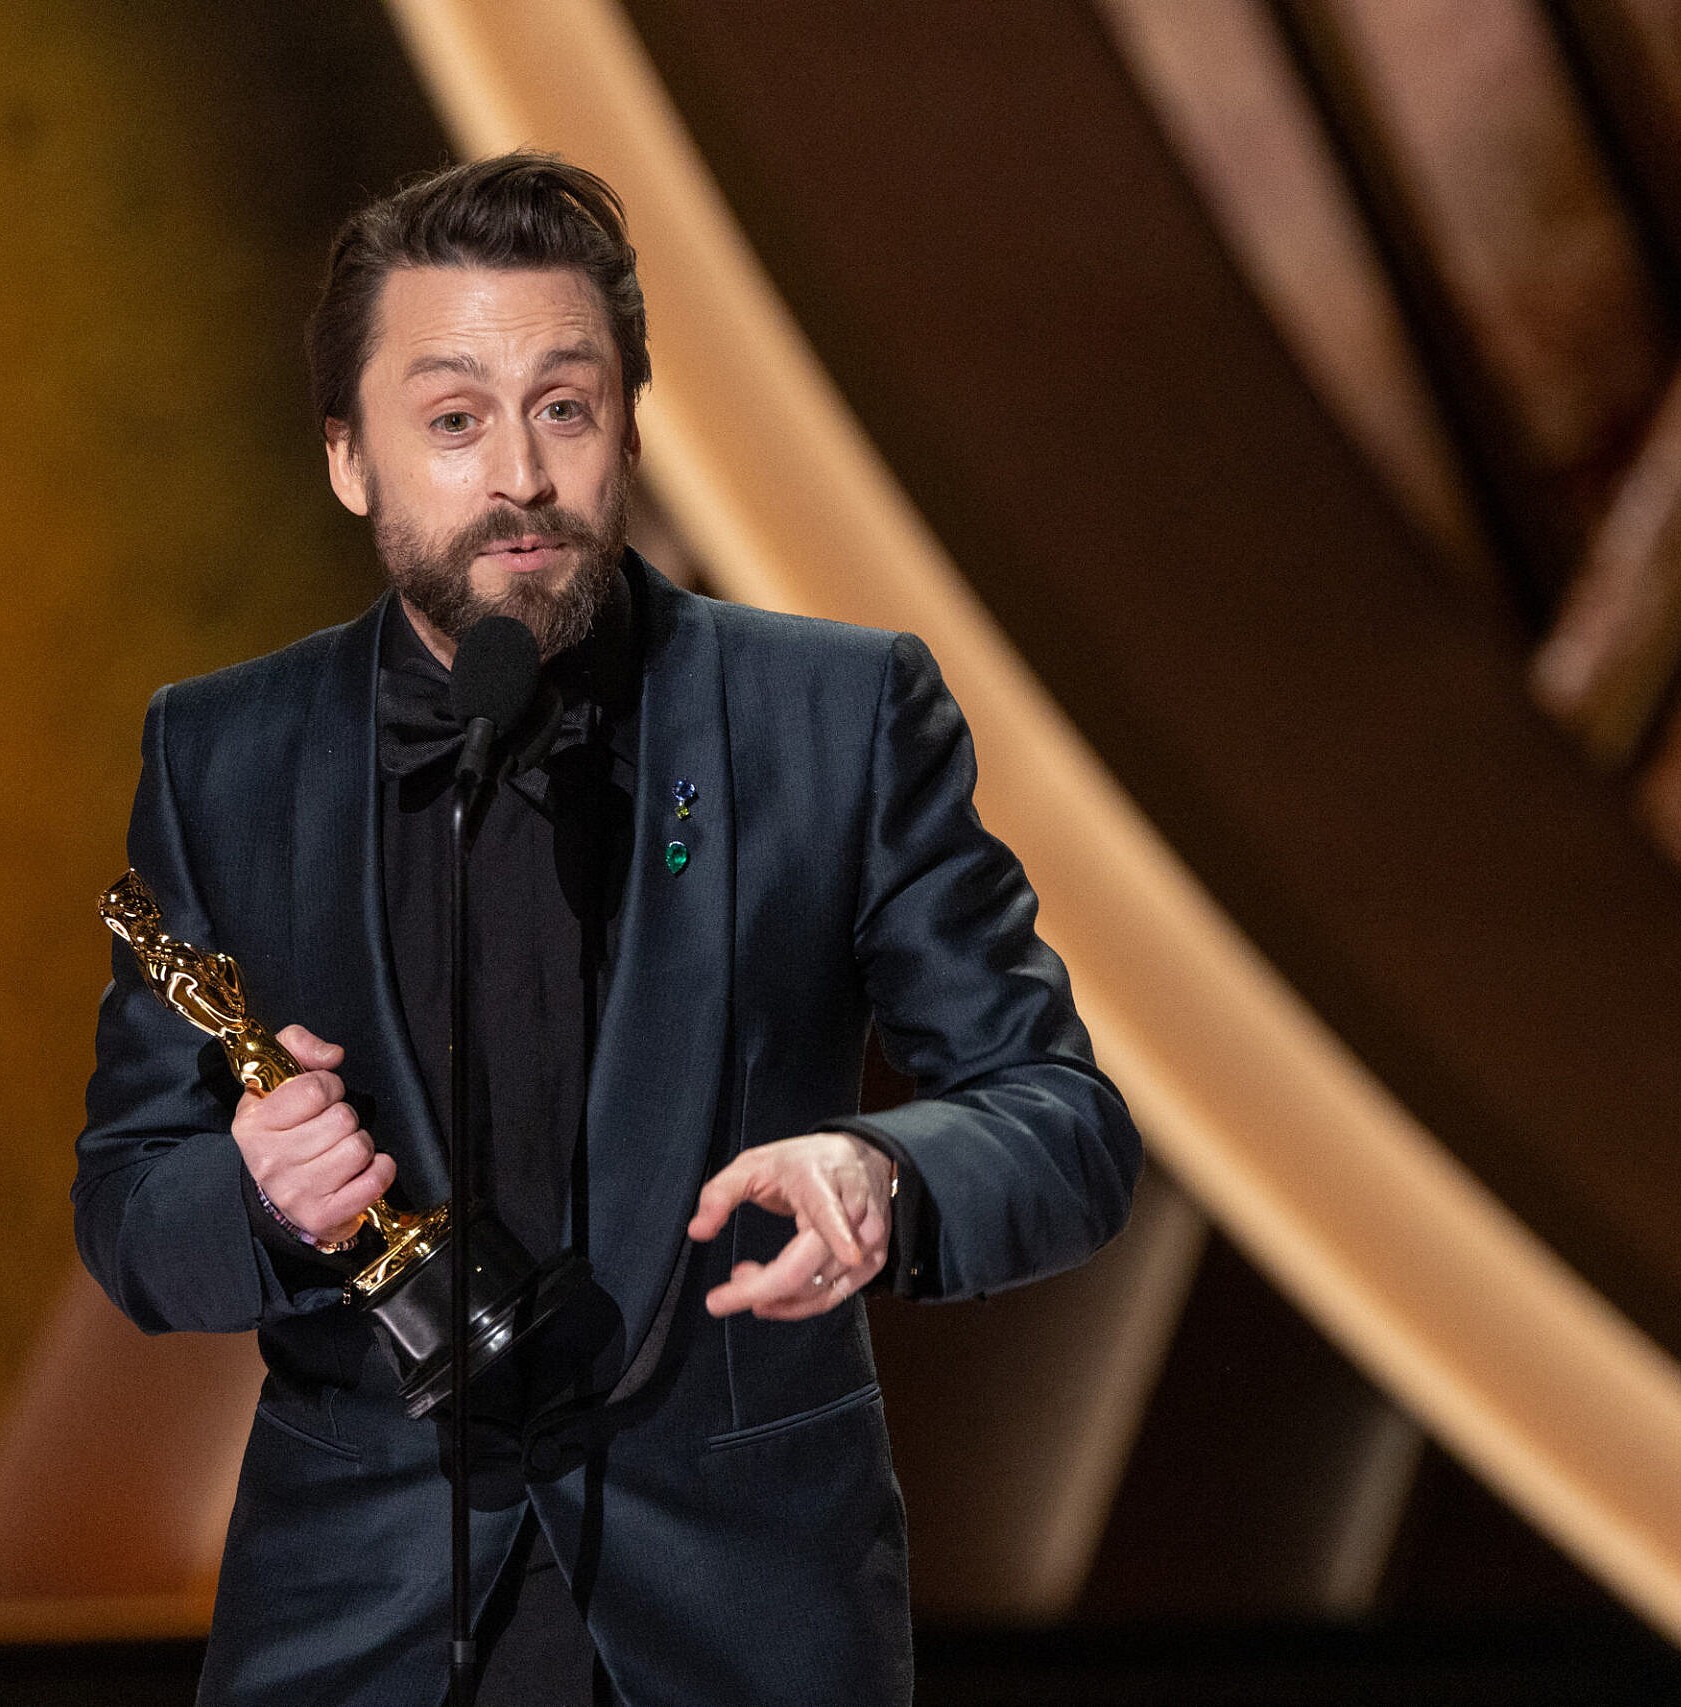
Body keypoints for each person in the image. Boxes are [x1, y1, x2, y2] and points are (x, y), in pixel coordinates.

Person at [72, 151, 1141, 1706]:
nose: (518, 473)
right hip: (356, 1634)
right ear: (348, 458)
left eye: (563, 406)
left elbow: (1068, 1122)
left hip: (745, 1624)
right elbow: (125, 1204)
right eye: (452, 419)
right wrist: (254, 1201)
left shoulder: (834, 714)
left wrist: (887, 1175)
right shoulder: (224, 754)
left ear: (627, 423)